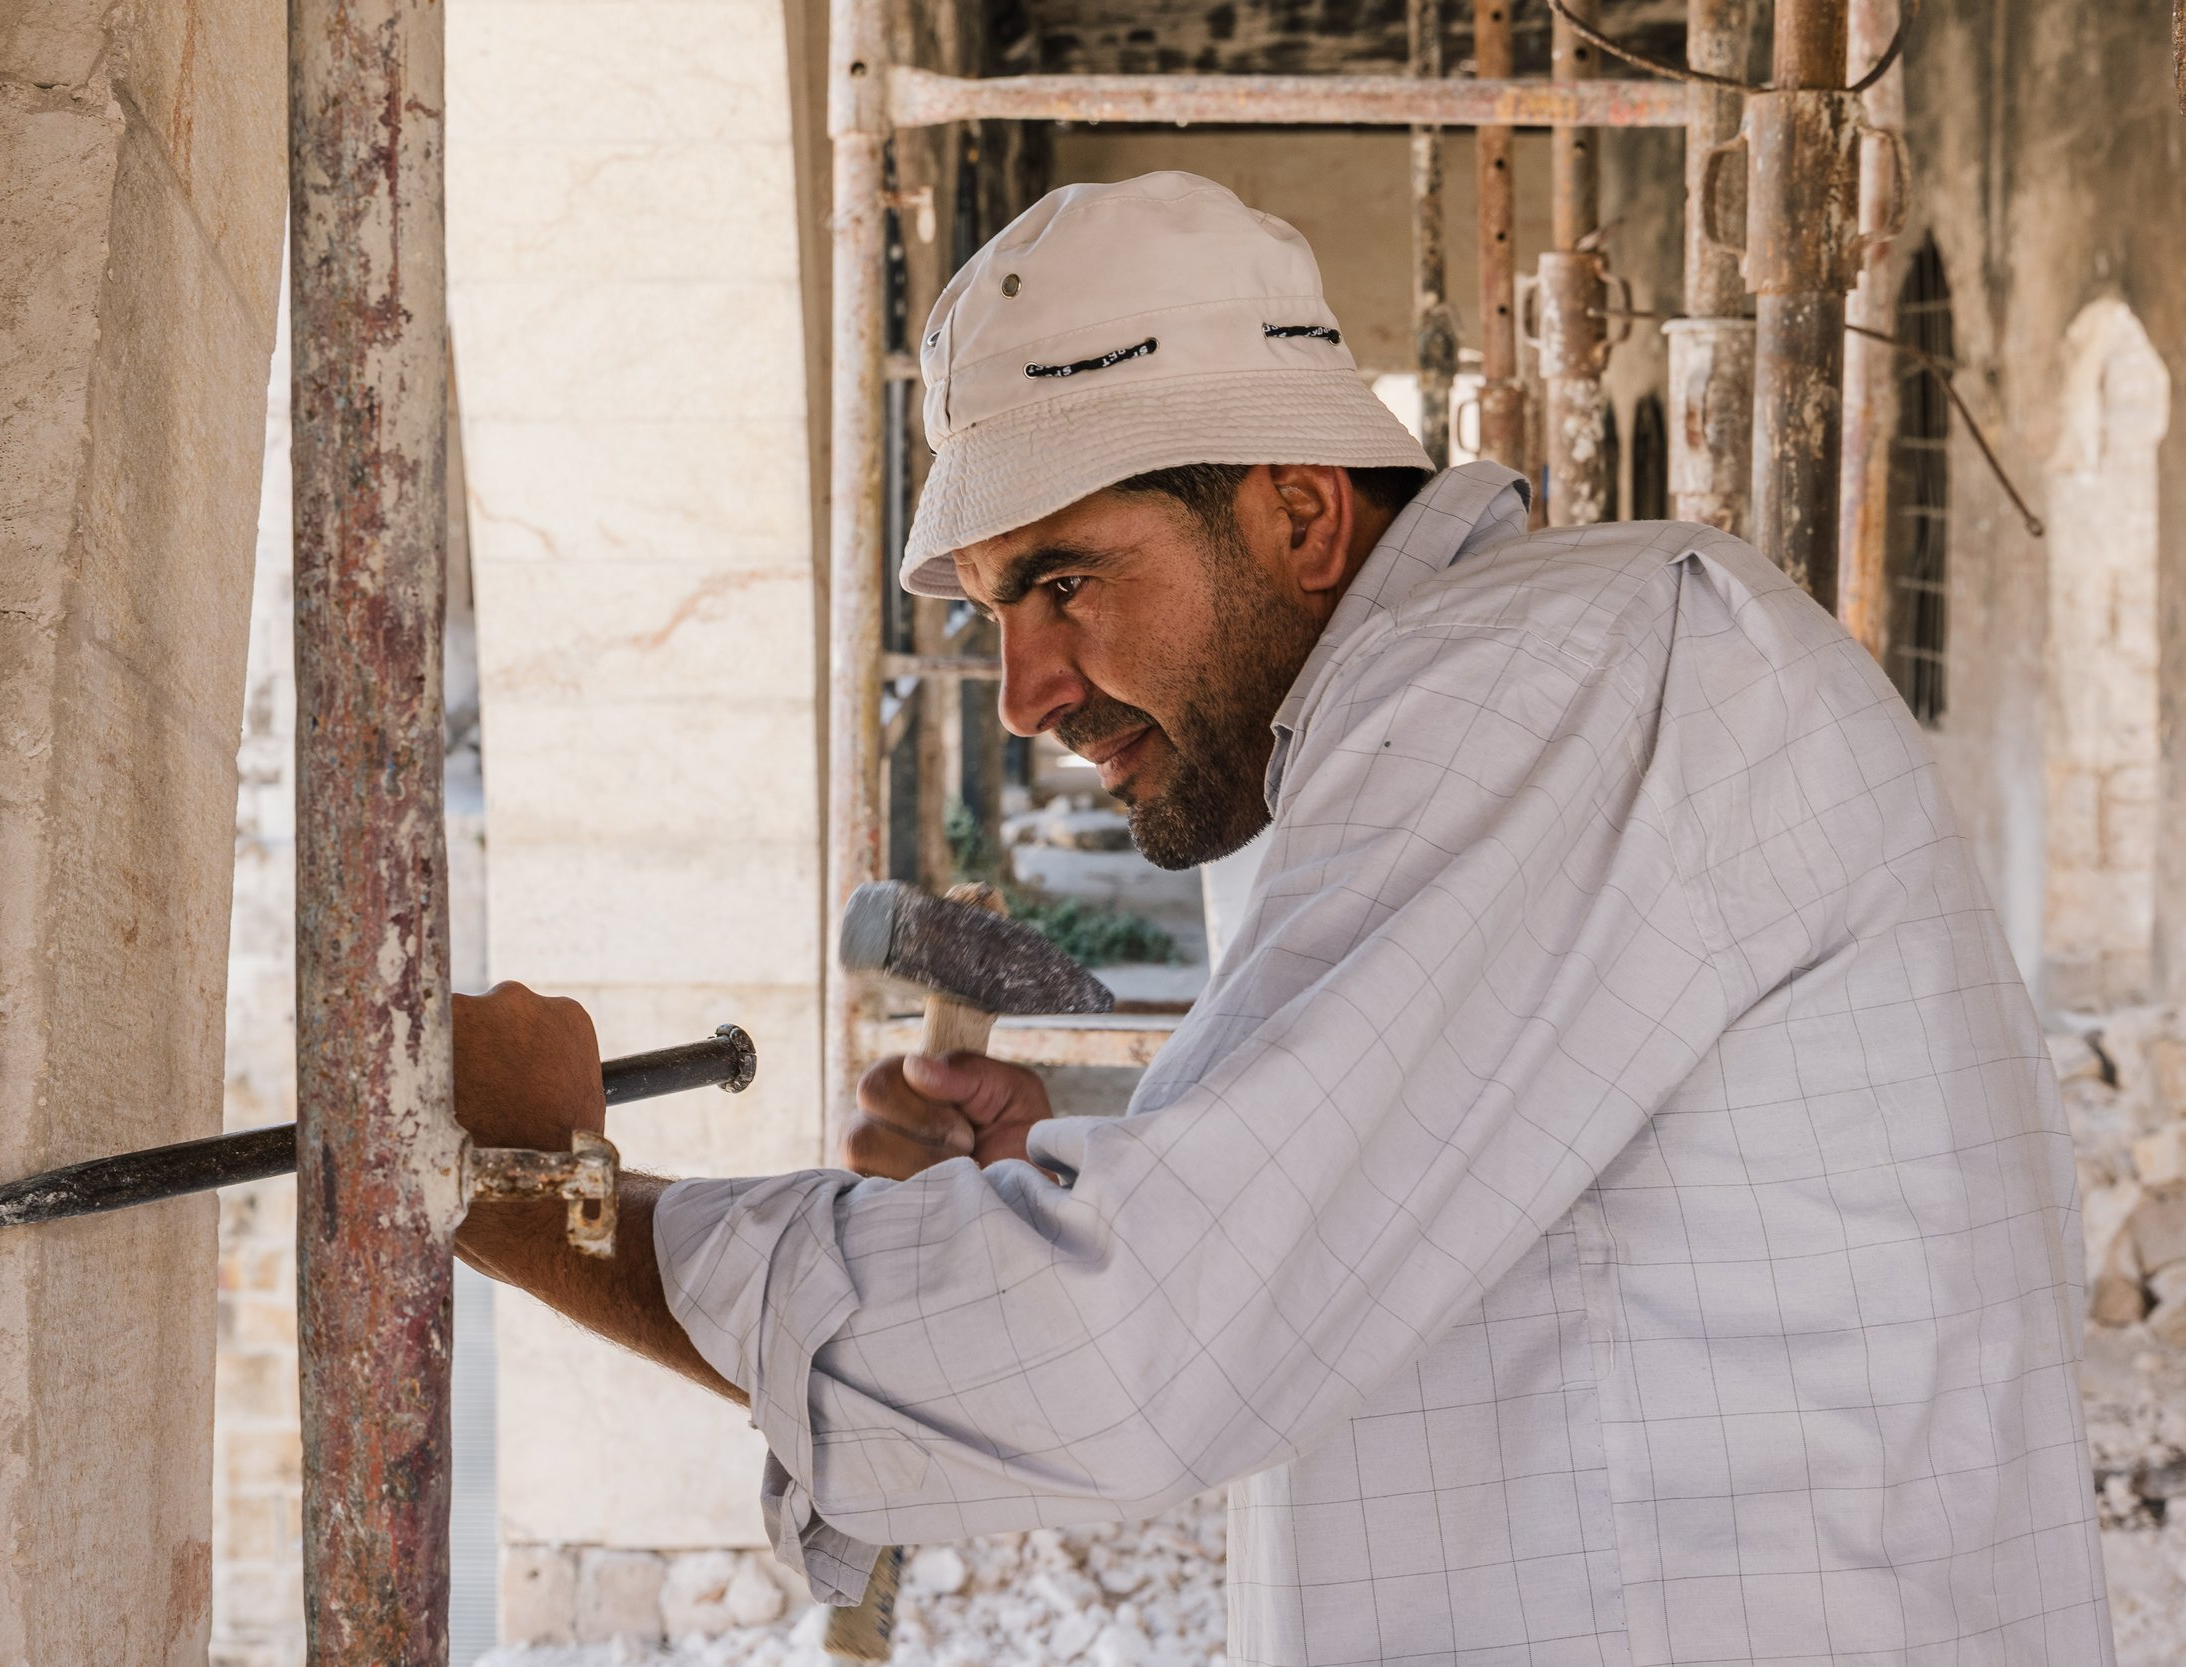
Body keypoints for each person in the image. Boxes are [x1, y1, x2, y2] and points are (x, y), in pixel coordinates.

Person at [454, 173, 2114, 1665]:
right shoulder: (1449, 722)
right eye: (986, 613)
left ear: (1302, 516)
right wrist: (1076, 1194)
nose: (1024, 692)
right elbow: (1361, 1253)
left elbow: (1132, 1350)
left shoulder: (1565, 674)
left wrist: (542, 1196)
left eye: (1062, 581)